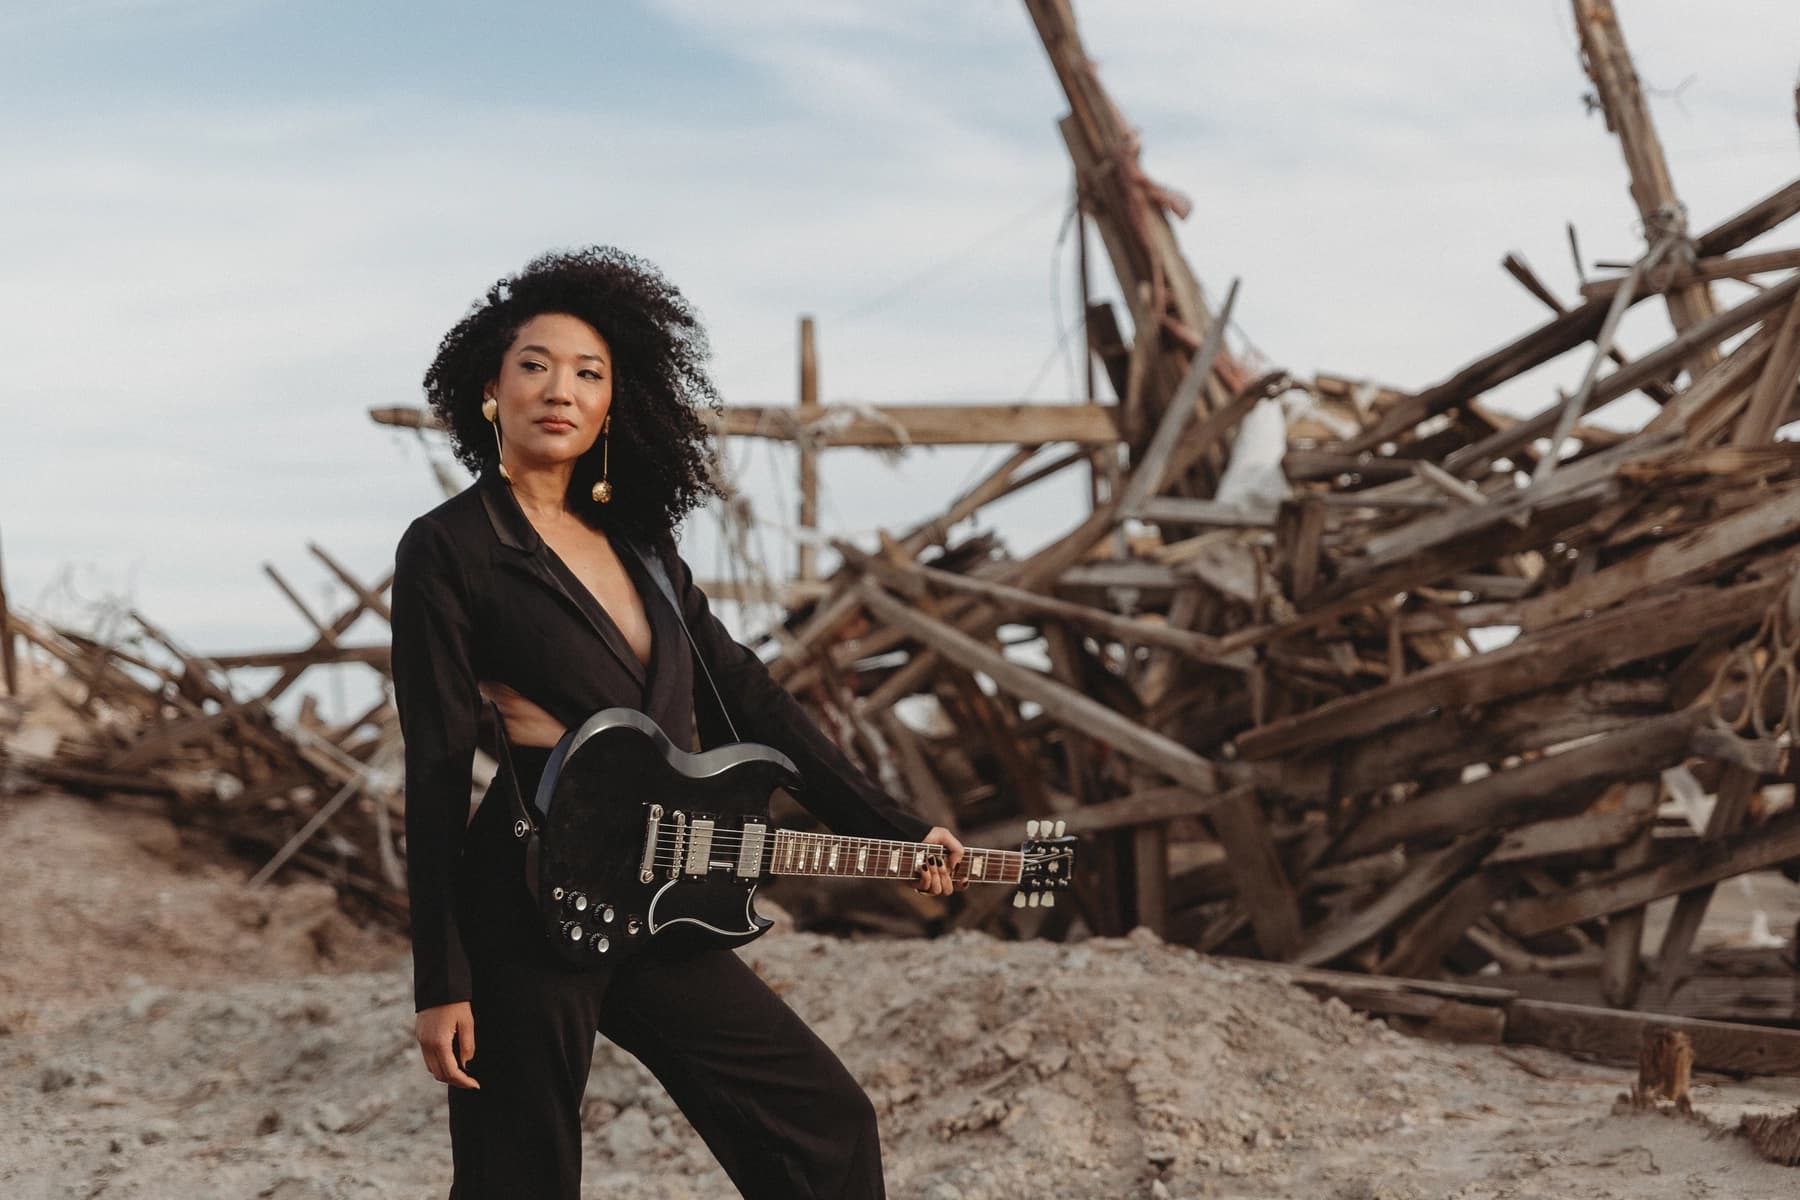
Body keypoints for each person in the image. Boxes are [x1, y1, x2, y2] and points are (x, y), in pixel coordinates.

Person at [390, 246, 965, 1199]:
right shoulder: (448, 547)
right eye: (533, 365)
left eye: (588, 373)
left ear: (617, 400)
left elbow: (753, 697)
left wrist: (892, 826)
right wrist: (439, 978)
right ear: (490, 388)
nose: (559, 390)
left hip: (663, 883)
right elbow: (440, 761)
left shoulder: (644, 546)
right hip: (526, 897)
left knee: (821, 1123)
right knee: (519, 1178)